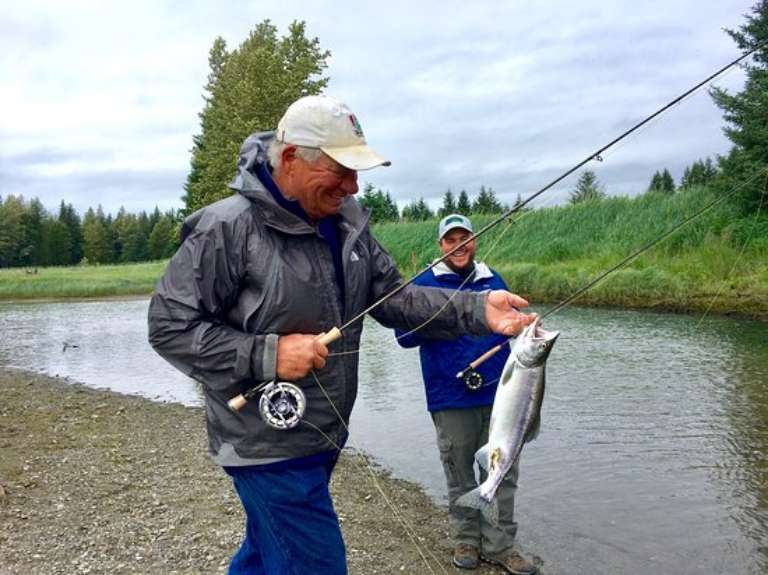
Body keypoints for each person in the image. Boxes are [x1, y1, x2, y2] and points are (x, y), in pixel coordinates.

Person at [148, 95, 536, 575]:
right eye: (340, 170)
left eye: (357, 173)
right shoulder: (225, 229)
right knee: (315, 563)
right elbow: (168, 326)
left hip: (324, 433)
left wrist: (480, 309)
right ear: (291, 159)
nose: (352, 186)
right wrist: (267, 354)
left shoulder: (347, 224)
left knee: (266, 553)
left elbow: (398, 300)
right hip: (264, 441)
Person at [395, 214, 537, 575]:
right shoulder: (423, 284)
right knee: (459, 471)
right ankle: (466, 540)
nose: (459, 245)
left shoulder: (492, 280)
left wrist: (528, 328)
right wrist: (446, 313)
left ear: (474, 240)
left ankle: (500, 545)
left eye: (466, 237)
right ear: (440, 245)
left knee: (502, 471)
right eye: (450, 239)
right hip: (448, 395)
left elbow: (512, 325)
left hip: (500, 395)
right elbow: (404, 337)